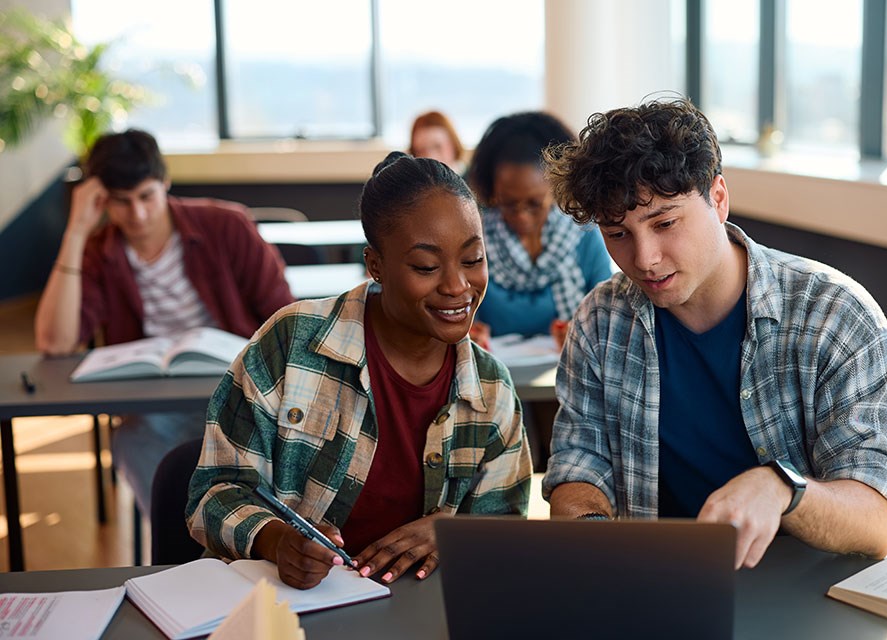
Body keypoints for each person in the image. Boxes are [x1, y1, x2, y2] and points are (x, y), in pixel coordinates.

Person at [541, 96, 887, 569]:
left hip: (804, 592)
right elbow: (580, 463)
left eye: (665, 222)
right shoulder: (602, 319)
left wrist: (784, 490)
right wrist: (591, 535)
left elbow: (882, 519)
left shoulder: (836, 317)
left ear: (718, 198)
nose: (644, 258)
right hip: (660, 585)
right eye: (617, 234)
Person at [186, 152, 532, 589]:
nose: (457, 286)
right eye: (426, 267)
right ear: (375, 266)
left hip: (415, 610)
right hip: (281, 604)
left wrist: (453, 534)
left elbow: (506, 531)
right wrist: (277, 542)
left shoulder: (490, 390)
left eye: (473, 259)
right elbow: (213, 491)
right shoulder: (292, 342)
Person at [33, 128, 295, 534]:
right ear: (101, 199)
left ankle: (244, 537)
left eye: (146, 197)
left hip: (238, 393)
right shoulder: (100, 250)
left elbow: (284, 319)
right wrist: (76, 231)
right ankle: (183, 547)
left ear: (165, 183)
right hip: (156, 403)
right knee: (132, 441)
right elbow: (54, 341)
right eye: (120, 202)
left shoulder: (227, 226)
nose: (136, 215)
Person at [467, 111, 611, 343]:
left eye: (535, 204)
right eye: (508, 204)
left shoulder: (584, 235)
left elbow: (607, 315)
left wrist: (583, 333)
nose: (522, 217)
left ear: (557, 190)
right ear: (492, 192)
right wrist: (468, 334)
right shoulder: (475, 241)